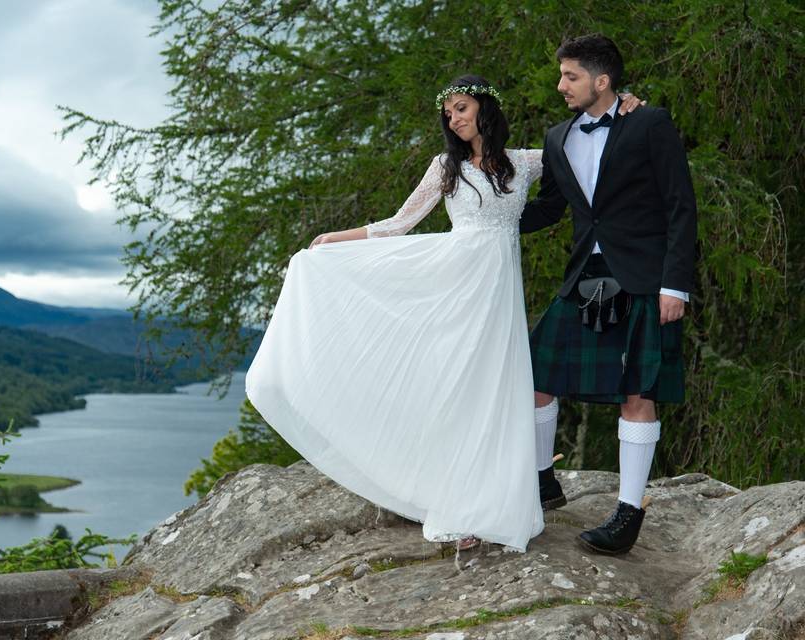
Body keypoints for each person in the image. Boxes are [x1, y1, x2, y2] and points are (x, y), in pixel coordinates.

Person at [245, 74, 642, 554]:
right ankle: (458, 501)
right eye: (448, 112)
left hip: (497, 292)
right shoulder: (444, 167)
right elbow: (399, 223)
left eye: (460, 108)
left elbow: (584, 148)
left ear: (483, 109)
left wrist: (622, 110)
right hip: (454, 285)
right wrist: (337, 240)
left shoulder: (522, 161)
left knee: (493, 389)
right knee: (457, 387)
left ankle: (491, 500)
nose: (453, 118)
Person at [521, 34, 697, 555]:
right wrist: (486, 222)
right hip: (584, 278)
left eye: (570, 76)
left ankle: (627, 510)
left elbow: (680, 206)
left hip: (643, 277)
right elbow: (550, 209)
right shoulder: (559, 137)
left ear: (602, 80)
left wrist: (674, 284)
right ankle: (542, 482)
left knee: (638, 394)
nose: (560, 86)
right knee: (534, 376)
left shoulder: (649, 124)